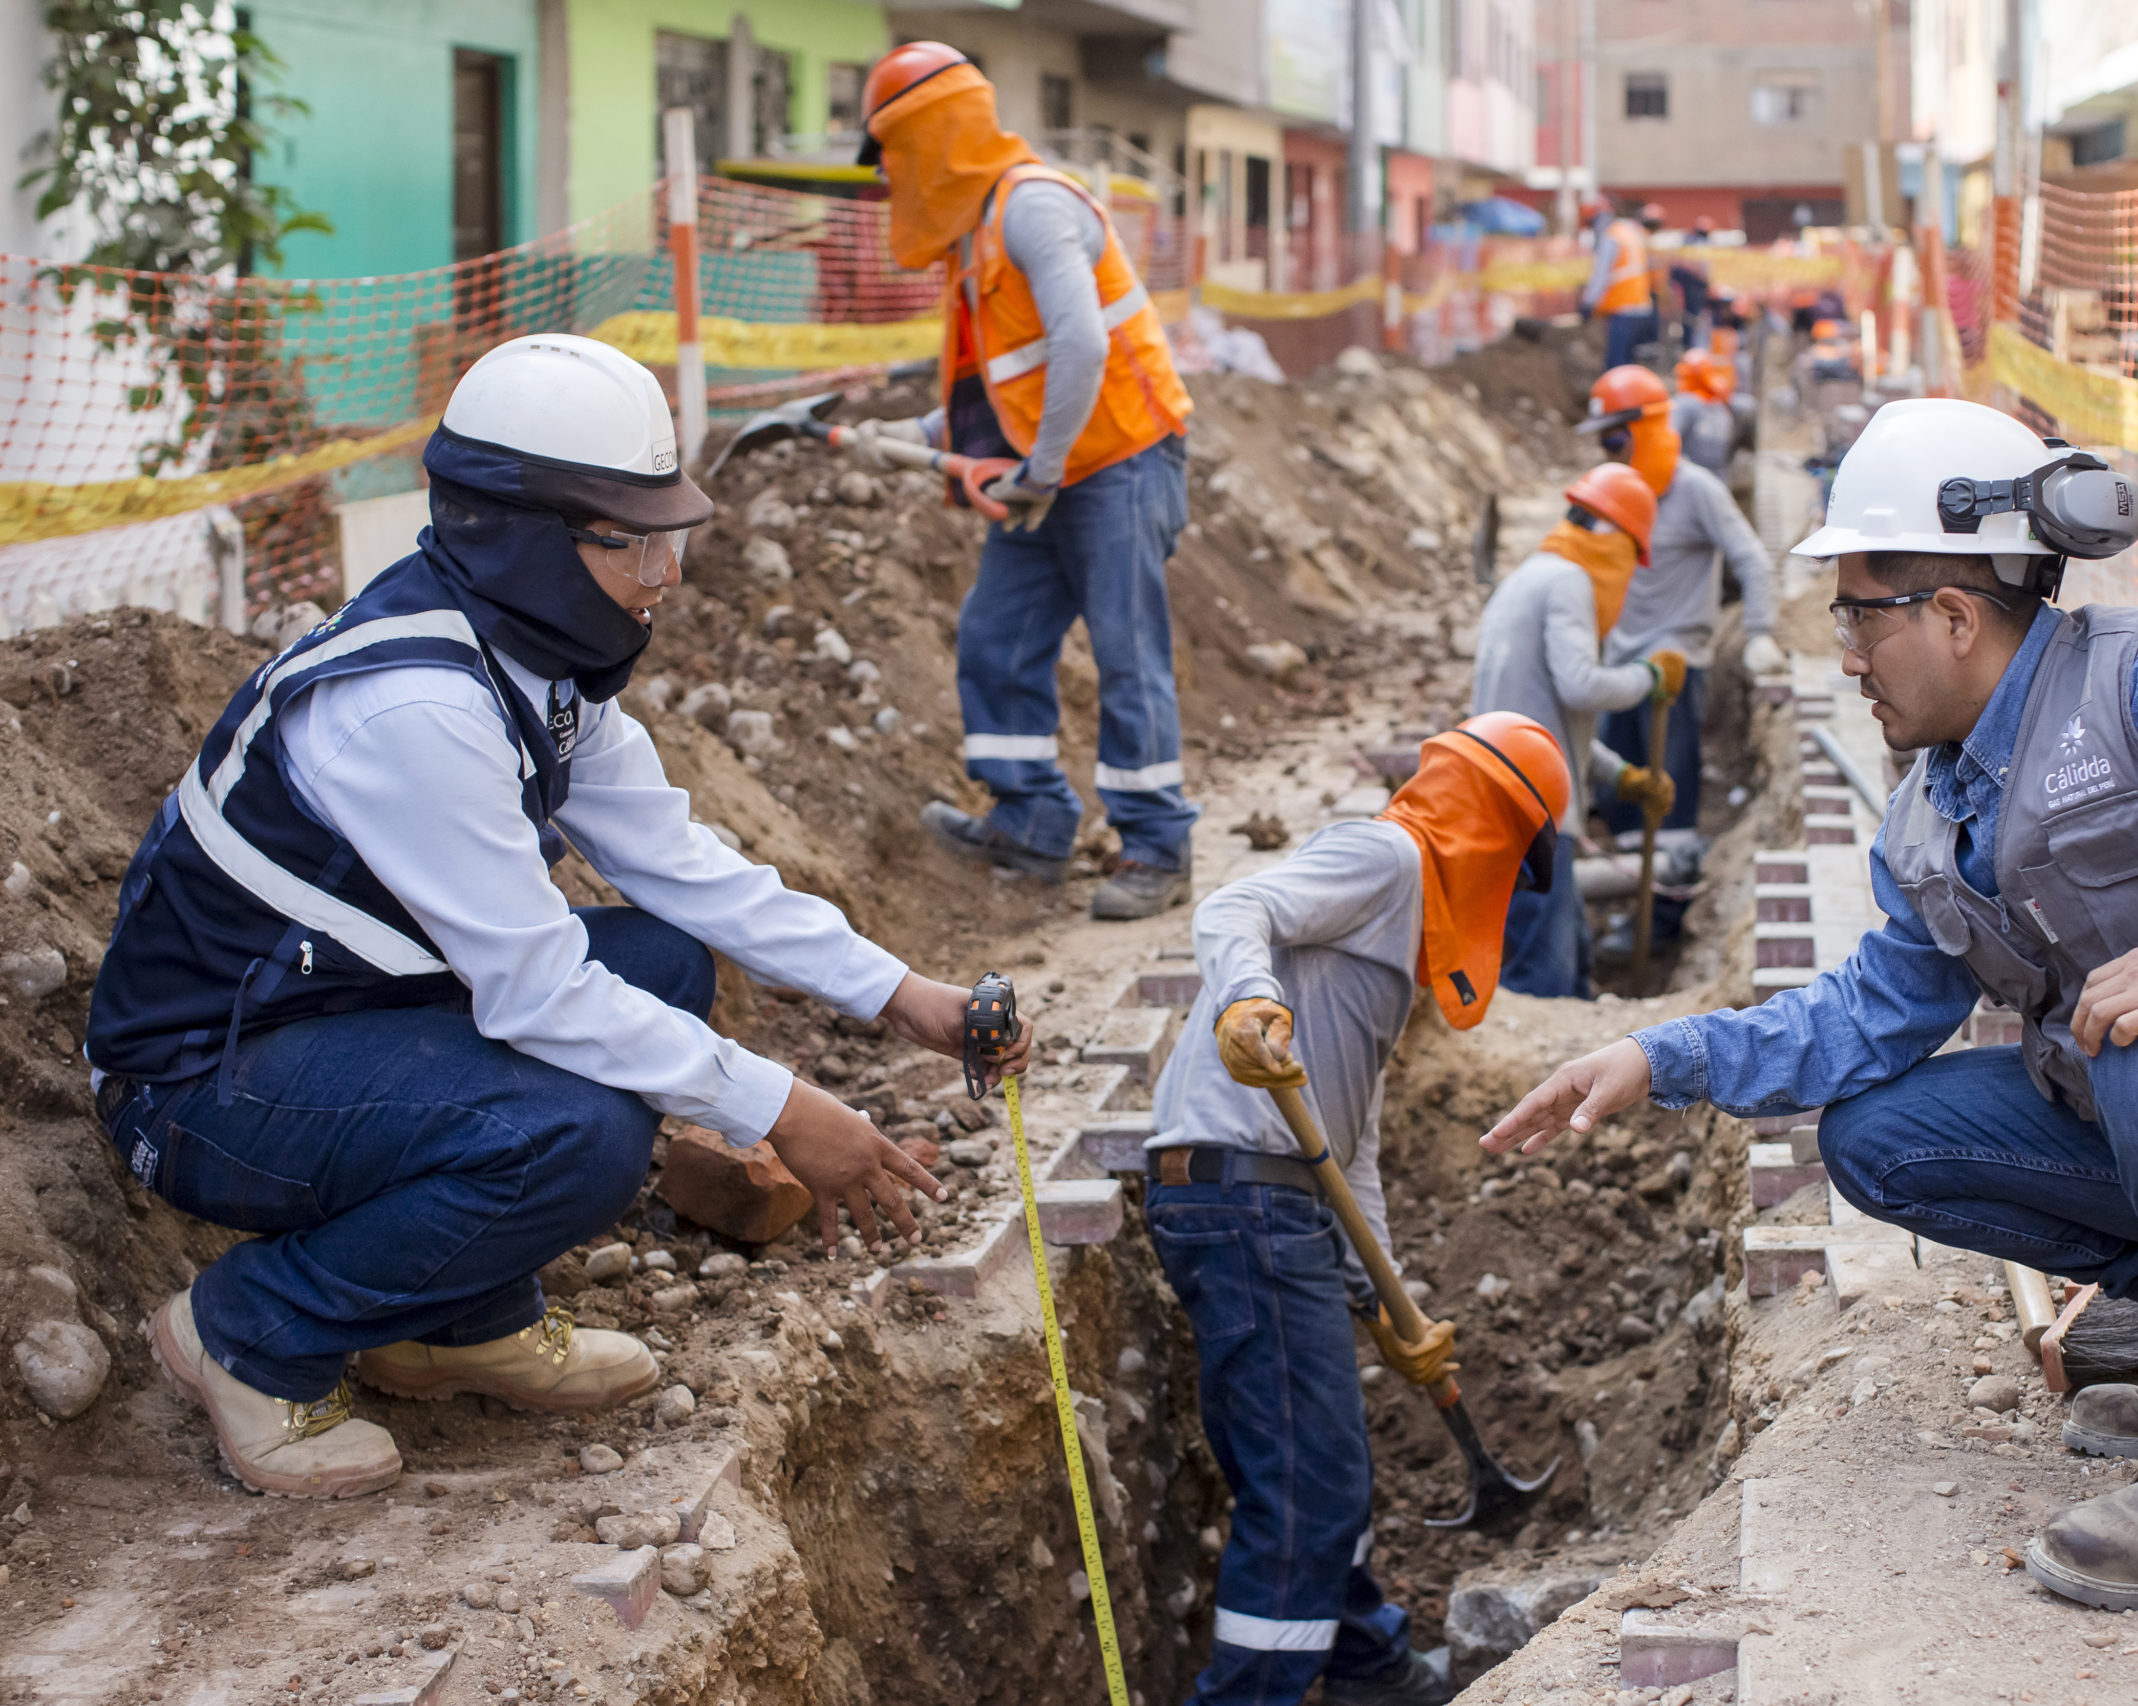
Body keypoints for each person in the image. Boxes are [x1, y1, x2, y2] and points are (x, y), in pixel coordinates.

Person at [1480, 397, 2138, 1610]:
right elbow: (1861, 1018)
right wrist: (1657, 1054)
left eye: (1859, 614)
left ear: (1953, 614)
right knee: (1881, 1136)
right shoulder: (1934, 813)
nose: (1846, 653)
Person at [84, 334, 1034, 1499]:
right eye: (630, 540)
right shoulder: (413, 706)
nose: (665, 574)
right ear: (519, 536)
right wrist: (787, 1108)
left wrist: (900, 994)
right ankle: (252, 1331)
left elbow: (680, 861)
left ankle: (452, 1320)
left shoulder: (528, 661)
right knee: (579, 1136)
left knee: (663, 960)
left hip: (340, 1017)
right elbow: (536, 989)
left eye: (668, 534)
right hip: (202, 1088)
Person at [1148, 712, 1572, 1706]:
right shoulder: (1383, 855)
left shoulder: (1395, 934)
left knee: (1303, 1462)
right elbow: (1232, 905)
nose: (1510, 885)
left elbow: (1350, 1143)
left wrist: (1390, 1300)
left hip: (1260, 1198)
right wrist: (1249, 998)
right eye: (1517, 858)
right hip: (1244, 1194)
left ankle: (1368, 1662)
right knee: (1309, 1486)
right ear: (1492, 825)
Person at [850, 43, 1199, 921]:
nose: (890, 178)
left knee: (1128, 655)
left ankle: (1157, 846)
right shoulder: (975, 237)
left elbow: (1081, 347)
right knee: (996, 637)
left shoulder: (1032, 208)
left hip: (1119, 459)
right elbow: (1008, 379)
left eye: (890, 156)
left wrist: (1039, 473)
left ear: (929, 139)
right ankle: (1032, 822)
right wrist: (919, 434)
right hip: (1054, 470)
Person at [1572, 367, 1781, 958]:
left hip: (1674, 672)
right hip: (1618, 669)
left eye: (1614, 439)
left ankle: (1663, 926)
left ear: (1647, 431)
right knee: (1618, 796)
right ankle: (1634, 902)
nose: (1605, 452)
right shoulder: (1610, 492)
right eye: (1601, 442)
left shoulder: (1696, 492)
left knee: (1675, 804)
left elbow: (1752, 559)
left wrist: (1761, 632)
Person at [1471, 463, 1677, 999]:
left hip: (1503, 789)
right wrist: (1647, 677)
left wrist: (1622, 775)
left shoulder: (1529, 576)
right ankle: (1539, 1067)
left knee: (1569, 949)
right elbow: (1580, 686)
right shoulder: (1568, 581)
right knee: (1546, 974)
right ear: (1620, 541)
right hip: (1531, 800)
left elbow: (1549, 713)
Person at [1580, 203, 1659, 371]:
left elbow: (1600, 275)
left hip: (1622, 308)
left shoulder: (1612, 237)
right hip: (1640, 306)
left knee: (1616, 367)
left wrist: (1588, 304)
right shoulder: (1629, 234)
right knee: (1629, 366)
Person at [1670, 347, 1738, 478]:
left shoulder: (1686, 404)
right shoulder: (1721, 405)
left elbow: (1667, 441)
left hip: (1690, 482)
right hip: (1720, 480)